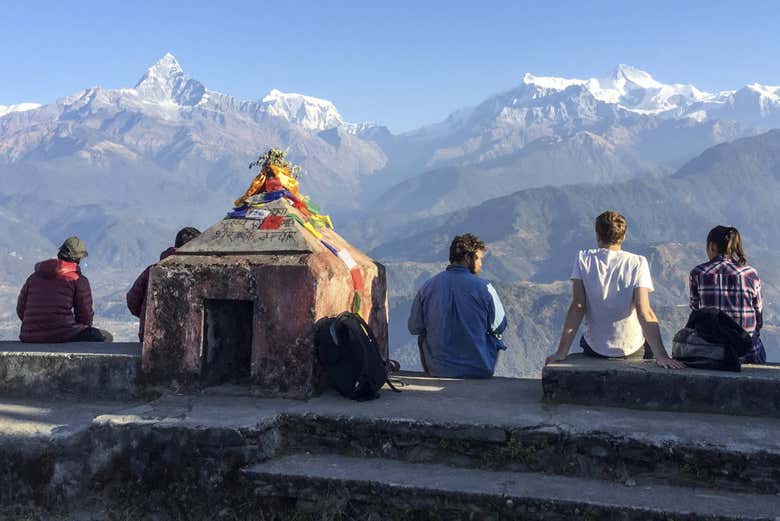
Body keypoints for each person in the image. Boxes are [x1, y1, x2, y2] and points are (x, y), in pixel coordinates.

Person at [546, 211, 684, 369]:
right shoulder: (637, 263)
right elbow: (644, 311)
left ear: (597, 235)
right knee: (645, 350)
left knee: (586, 339)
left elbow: (578, 306)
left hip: (595, 348)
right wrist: (662, 356)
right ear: (623, 236)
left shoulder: (583, 258)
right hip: (631, 349)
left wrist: (561, 352)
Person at [408, 233, 508, 378]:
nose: (481, 264)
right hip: (478, 371)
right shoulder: (485, 288)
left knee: (423, 335)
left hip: (438, 370)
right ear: (468, 257)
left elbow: (414, 327)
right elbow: (500, 325)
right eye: (479, 258)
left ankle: (436, 369)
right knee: (496, 334)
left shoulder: (428, 287)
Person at [689, 225, 766, 363]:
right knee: (757, 346)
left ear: (712, 246)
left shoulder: (698, 273)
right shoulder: (750, 274)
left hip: (713, 353)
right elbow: (758, 319)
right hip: (747, 353)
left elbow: (696, 311)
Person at [16, 237, 113, 343]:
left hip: (29, 336)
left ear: (59, 254)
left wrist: (36, 327)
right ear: (79, 259)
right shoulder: (77, 279)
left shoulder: (33, 277)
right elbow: (85, 315)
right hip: (63, 335)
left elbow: (21, 309)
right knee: (106, 337)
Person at [127, 227, 201, 341]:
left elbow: (132, 299)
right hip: (188, 340)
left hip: (149, 336)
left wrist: (146, 315)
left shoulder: (152, 269)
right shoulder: (198, 273)